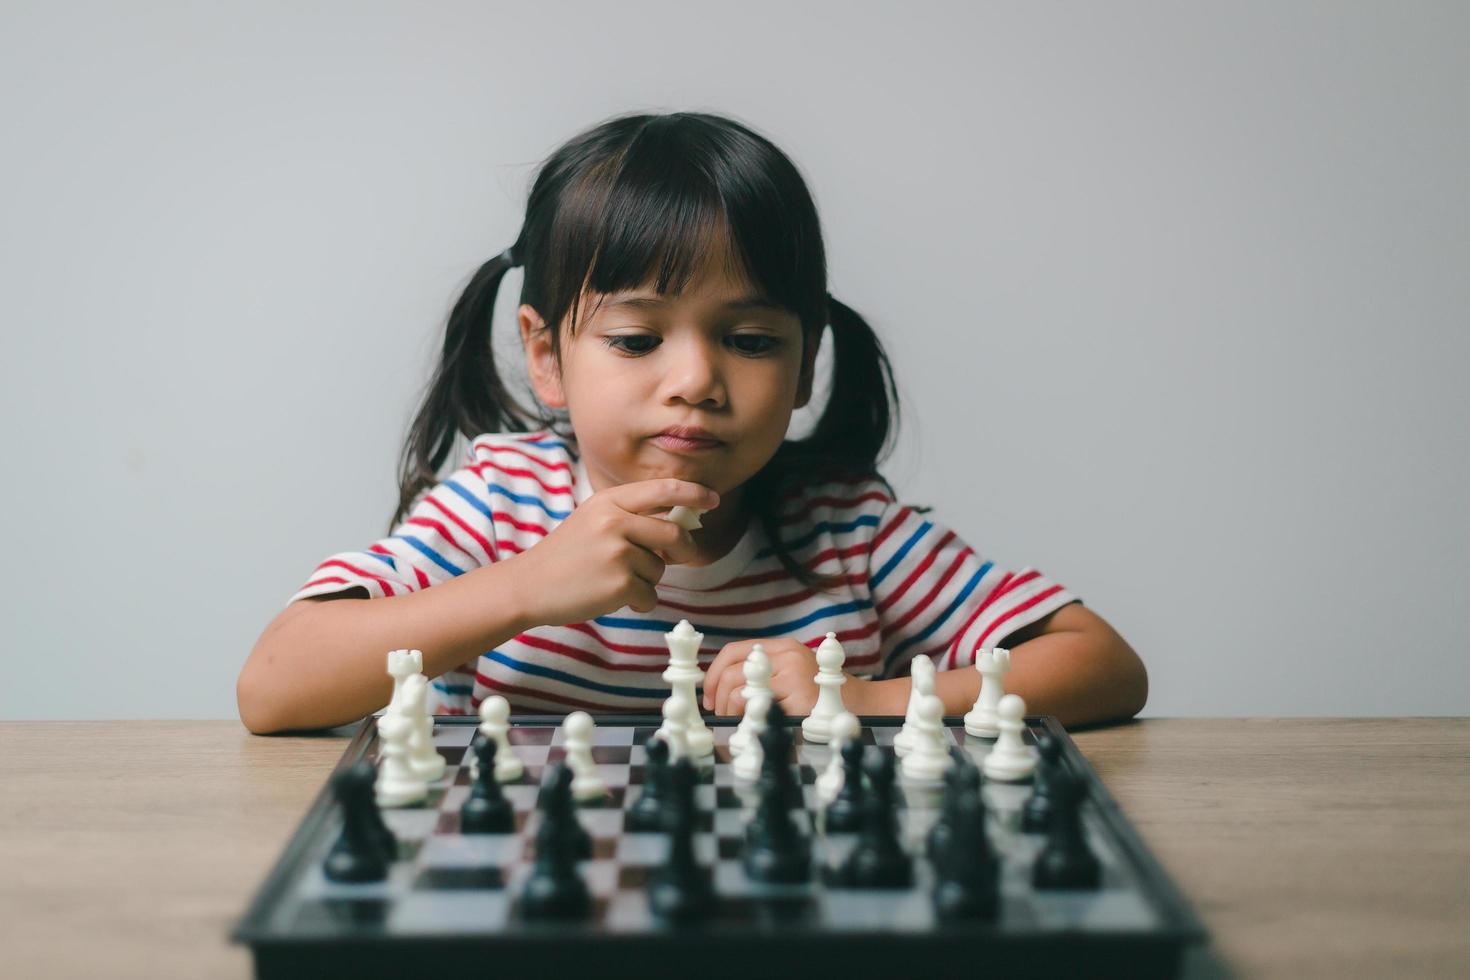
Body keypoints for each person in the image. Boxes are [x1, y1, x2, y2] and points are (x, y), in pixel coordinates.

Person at [236, 111, 1146, 735]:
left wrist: (856, 696)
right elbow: (273, 685)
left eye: (750, 340)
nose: (699, 380)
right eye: (636, 340)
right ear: (546, 356)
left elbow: (1100, 662)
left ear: (804, 366)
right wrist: (526, 587)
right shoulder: (500, 507)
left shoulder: (850, 532)